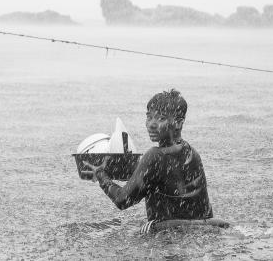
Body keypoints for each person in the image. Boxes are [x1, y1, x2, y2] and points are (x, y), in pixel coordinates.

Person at [85, 89, 226, 233]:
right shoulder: (191, 152)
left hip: (169, 236)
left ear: (178, 122)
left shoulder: (154, 156)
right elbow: (164, 179)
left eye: (161, 118)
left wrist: (101, 175)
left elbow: (122, 200)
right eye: (149, 117)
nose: (151, 124)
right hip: (204, 232)